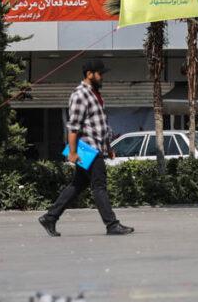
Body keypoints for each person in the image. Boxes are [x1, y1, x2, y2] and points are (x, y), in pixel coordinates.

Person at [38, 59, 134, 237]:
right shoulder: (80, 95)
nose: (102, 77)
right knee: (99, 186)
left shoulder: (94, 94)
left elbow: (101, 124)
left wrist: (108, 147)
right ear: (89, 74)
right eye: (100, 73)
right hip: (87, 149)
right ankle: (111, 224)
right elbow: (73, 126)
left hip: (95, 147)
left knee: (78, 185)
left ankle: (50, 217)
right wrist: (73, 152)